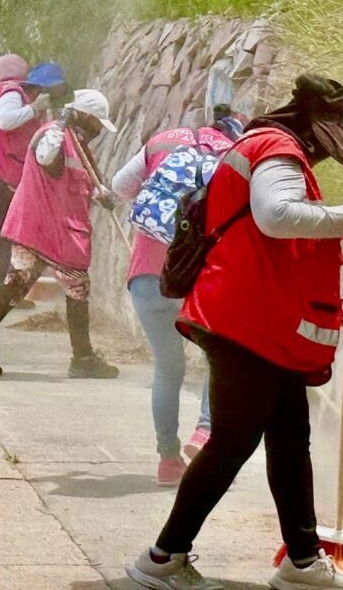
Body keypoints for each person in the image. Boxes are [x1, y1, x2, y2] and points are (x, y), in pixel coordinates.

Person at [127, 75, 343, 590]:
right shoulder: (278, 148)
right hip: (244, 322)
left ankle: (302, 562)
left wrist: (337, 306)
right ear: (311, 127)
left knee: (289, 439)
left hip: (256, 318)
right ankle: (161, 557)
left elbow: (274, 258)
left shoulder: (265, 146)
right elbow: (276, 216)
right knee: (233, 441)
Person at [110, 109, 243, 486]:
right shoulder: (236, 155)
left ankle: (167, 460)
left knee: (168, 370)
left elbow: (121, 185)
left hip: (148, 276)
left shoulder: (163, 141)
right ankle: (203, 433)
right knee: (217, 360)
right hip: (199, 280)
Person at [0, 89, 121, 379]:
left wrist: (104, 195)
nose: (98, 131)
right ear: (84, 116)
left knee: (14, 285)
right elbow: (46, 157)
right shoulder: (54, 135)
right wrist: (60, 127)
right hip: (51, 230)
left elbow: (87, 184)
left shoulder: (81, 147)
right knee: (77, 287)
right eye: (96, 124)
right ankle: (82, 358)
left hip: (39, 229)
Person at [0, 60, 69, 311]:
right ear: (44, 86)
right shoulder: (13, 93)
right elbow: (5, 121)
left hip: (10, 177)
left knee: (8, 235)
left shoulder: (38, 108)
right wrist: (34, 109)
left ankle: (6, 293)